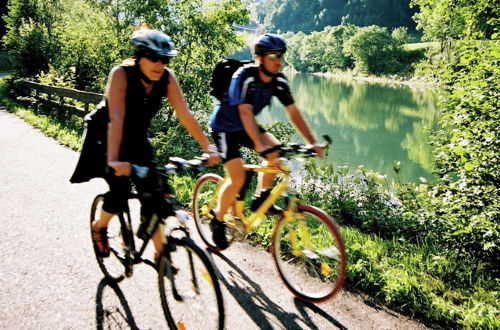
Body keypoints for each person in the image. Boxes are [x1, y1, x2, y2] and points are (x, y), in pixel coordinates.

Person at [70, 25, 219, 260]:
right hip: (104, 135)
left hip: (136, 138)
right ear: (139, 56)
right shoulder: (121, 74)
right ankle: (100, 226)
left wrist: (208, 147)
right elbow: (116, 118)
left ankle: (161, 256)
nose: (159, 64)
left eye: (164, 59)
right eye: (153, 58)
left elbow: (185, 114)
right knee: (120, 189)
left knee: (156, 190)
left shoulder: (166, 79)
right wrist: (115, 160)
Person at [208, 33, 324, 249]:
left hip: (246, 125)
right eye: (273, 56)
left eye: (281, 55)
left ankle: (261, 197)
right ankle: (217, 220)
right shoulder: (245, 76)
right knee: (237, 177)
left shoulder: (278, 80)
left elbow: (294, 112)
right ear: (260, 58)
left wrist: (312, 143)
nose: (278, 60)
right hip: (225, 127)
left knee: (276, 155)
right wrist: (260, 145)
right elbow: (244, 112)